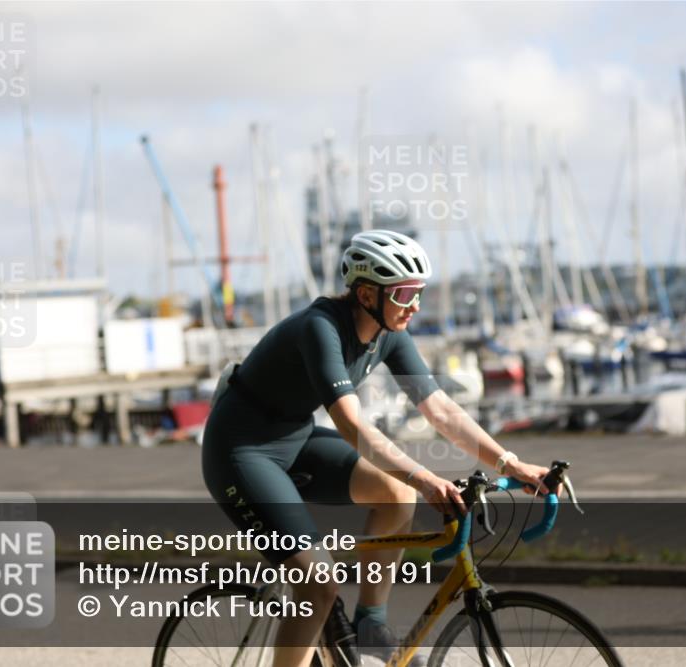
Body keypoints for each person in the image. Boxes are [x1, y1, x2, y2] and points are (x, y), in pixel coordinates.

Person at [202, 229, 553, 667]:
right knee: (318, 582)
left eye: (419, 293)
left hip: (292, 438)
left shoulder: (390, 332)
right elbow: (353, 426)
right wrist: (426, 478)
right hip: (240, 452)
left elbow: (441, 411)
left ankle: (371, 625)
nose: (415, 306)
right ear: (367, 293)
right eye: (405, 294)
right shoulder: (320, 328)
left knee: (395, 492)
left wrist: (511, 464)